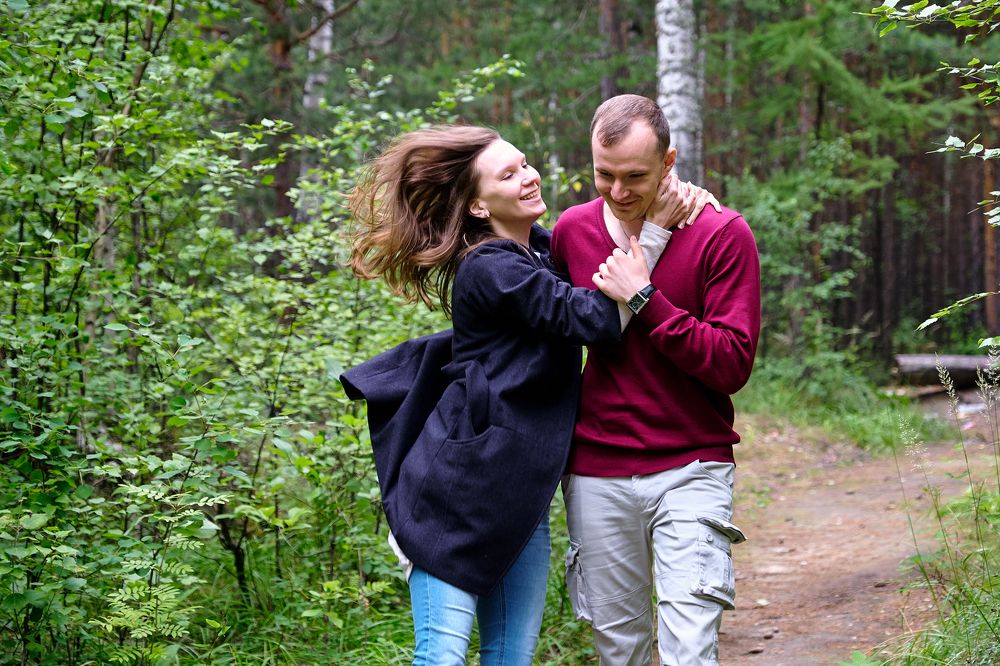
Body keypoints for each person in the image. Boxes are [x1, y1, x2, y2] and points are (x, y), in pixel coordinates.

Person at [339, 124, 715, 666]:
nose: (528, 176)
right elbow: (594, 316)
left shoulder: (540, 248)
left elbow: (601, 239)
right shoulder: (489, 267)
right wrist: (654, 230)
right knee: (440, 656)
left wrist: (676, 197)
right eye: (508, 174)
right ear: (474, 205)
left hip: (521, 494)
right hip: (456, 493)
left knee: (510, 657)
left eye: (524, 163)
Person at [550, 94, 761, 666]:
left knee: (690, 648)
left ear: (670, 162)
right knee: (619, 650)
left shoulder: (721, 232)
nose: (618, 191)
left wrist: (645, 300)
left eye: (635, 176)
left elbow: (731, 364)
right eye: (604, 174)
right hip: (596, 469)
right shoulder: (570, 231)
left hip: (693, 465)